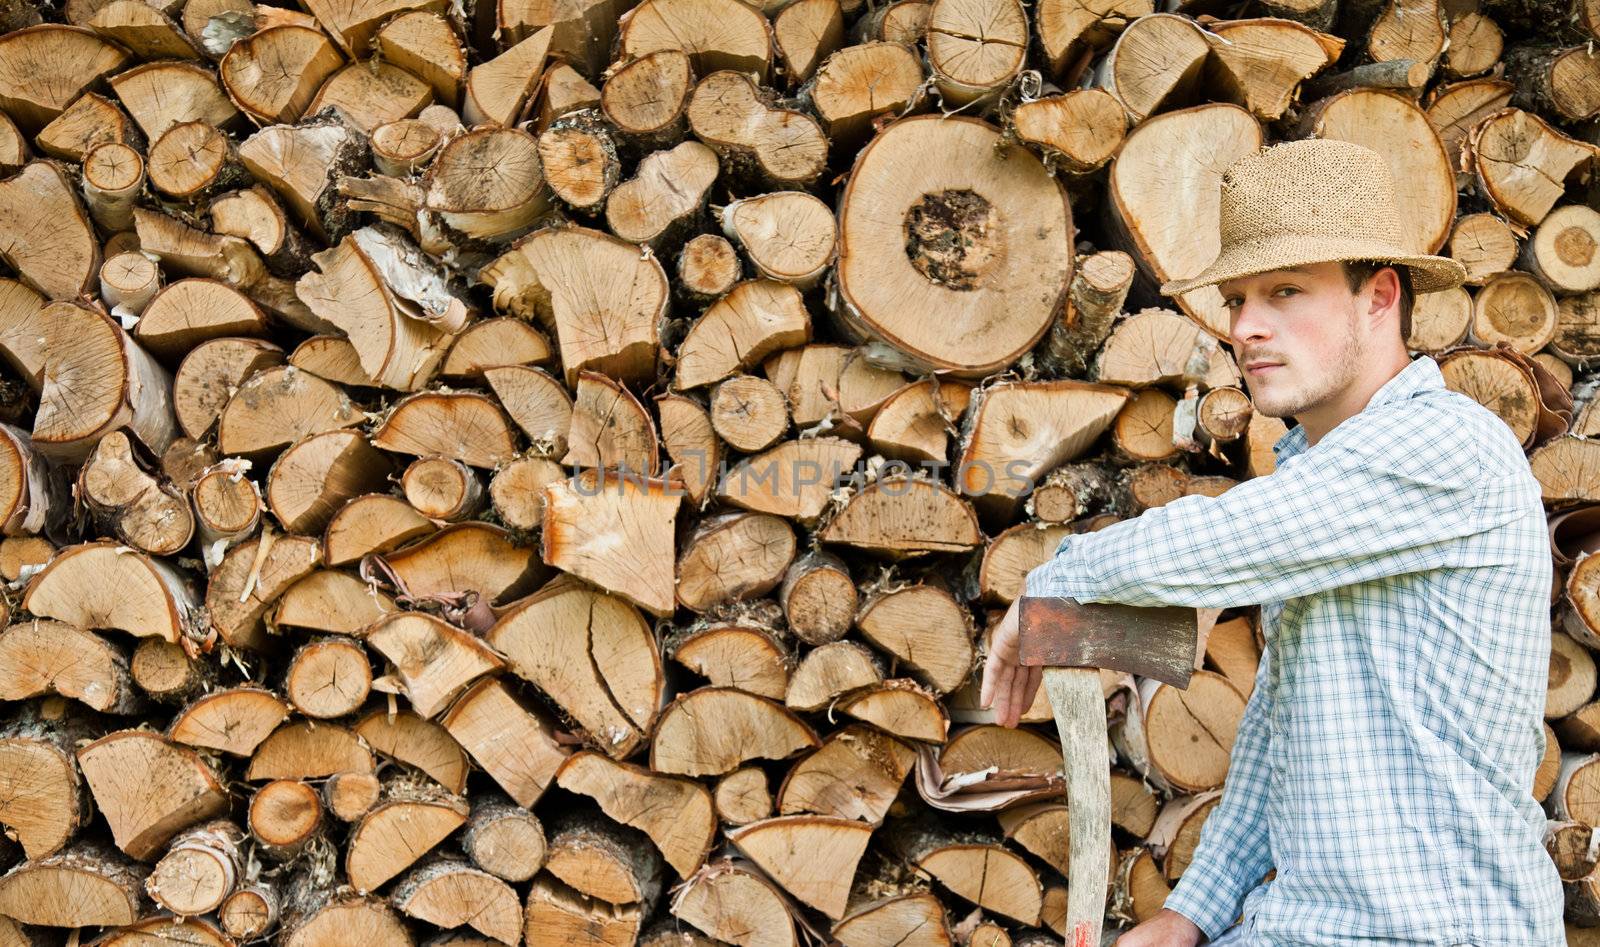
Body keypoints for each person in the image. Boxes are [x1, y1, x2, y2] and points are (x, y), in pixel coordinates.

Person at [979, 139, 1565, 945]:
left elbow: (1217, 541)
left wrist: (1053, 578)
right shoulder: (1320, 482)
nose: (1246, 327)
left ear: (1378, 296)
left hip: (1432, 928)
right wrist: (1191, 912)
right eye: (1236, 299)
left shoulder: (1446, 448)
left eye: (1286, 291)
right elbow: (1281, 733)